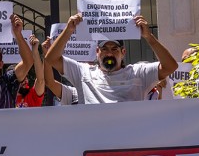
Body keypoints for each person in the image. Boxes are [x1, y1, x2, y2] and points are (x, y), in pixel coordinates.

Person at [44, 13, 178, 103]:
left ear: (123, 52)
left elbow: (170, 67)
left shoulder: (138, 73)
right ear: (97, 51)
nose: (109, 54)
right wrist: (68, 30)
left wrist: (149, 37)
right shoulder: (83, 72)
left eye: (114, 49)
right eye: (104, 49)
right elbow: (52, 59)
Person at [15, 34, 45, 108]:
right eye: (21, 77)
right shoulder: (5, 95)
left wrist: (35, 51)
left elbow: (40, 80)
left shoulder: (33, 96)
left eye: (26, 76)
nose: (24, 80)